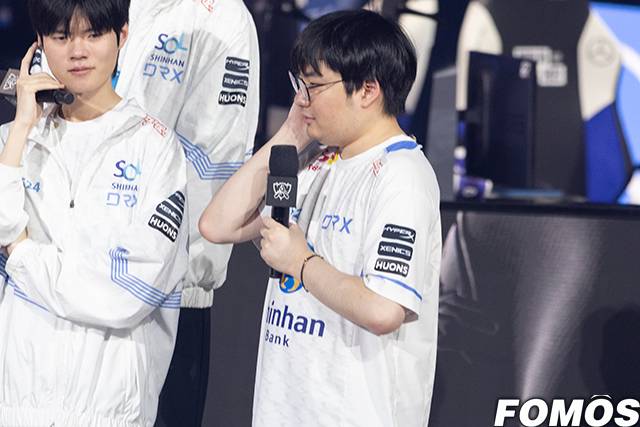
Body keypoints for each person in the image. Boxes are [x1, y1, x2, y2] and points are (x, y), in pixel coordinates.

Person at [199, 9, 441, 426]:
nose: (301, 100)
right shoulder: (317, 162)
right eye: (299, 85)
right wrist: (291, 134)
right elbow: (217, 225)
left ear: (367, 90)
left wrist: (301, 263)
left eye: (313, 86)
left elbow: (384, 310)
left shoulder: (402, 175)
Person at [0, 0, 188, 425]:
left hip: (110, 409)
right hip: (15, 403)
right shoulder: (12, 140)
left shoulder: (155, 148)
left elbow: (128, 292)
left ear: (122, 36)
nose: (78, 51)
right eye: (61, 36)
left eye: (94, 34)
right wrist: (22, 127)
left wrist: (24, 255)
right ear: (39, 44)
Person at [112, 1, 260, 423]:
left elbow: (214, 161)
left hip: (169, 295)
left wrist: (181, 277)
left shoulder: (222, 19)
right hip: (78, 277)